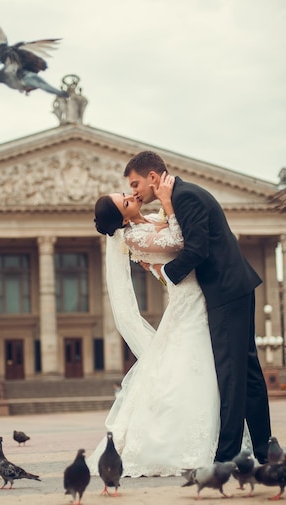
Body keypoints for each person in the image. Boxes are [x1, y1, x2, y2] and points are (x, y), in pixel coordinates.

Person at [123, 151, 271, 464]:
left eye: (136, 183)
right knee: (248, 374)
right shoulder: (182, 196)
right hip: (233, 289)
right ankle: (264, 449)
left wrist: (164, 273)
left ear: (153, 177)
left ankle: (226, 455)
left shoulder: (185, 198)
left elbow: (197, 250)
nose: (134, 191)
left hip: (225, 291)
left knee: (232, 374)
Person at [88, 175, 220, 477]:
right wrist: (169, 204)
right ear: (122, 216)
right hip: (188, 300)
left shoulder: (146, 222)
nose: (132, 196)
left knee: (183, 368)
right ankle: (178, 444)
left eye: (127, 193)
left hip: (190, 298)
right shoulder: (133, 237)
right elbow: (179, 243)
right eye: (125, 201)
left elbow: (165, 262)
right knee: (189, 367)